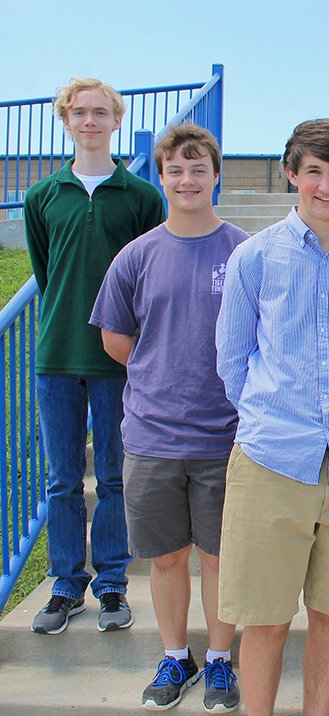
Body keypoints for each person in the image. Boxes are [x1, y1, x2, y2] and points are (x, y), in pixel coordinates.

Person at [214, 118, 329, 716]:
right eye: (312, 172)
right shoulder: (254, 257)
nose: (325, 186)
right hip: (271, 457)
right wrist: (276, 418)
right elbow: (231, 361)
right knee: (263, 620)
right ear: (291, 175)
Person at [90, 125, 246, 712]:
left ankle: (221, 662)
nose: (187, 180)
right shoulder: (137, 254)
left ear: (215, 175)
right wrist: (162, 371)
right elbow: (114, 337)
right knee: (165, 556)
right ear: (162, 178)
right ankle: (175, 655)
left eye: (198, 168)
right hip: (152, 435)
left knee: (219, 557)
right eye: (176, 170)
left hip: (226, 436)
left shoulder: (242, 251)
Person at [24, 77, 164, 635]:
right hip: (58, 355)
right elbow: (45, 270)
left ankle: (111, 585)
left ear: (116, 120)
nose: (89, 121)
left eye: (100, 112)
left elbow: (151, 277)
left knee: (112, 477)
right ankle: (65, 586)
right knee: (61, 480)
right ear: (65, 120)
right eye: (79, 113)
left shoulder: (141, 198)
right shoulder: (43, 196)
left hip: (115, 358)